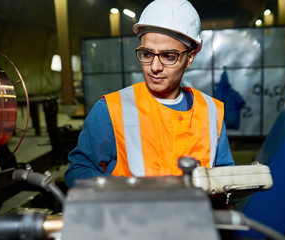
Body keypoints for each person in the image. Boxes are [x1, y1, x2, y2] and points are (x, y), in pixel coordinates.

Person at [65, 0, 234, 188]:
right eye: (147, 54)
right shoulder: (112, 110)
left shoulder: (210, 112)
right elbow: (77, 172)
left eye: (169, 56)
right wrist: (130, 189)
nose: (154, 67)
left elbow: (226, 180)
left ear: (190, 58)